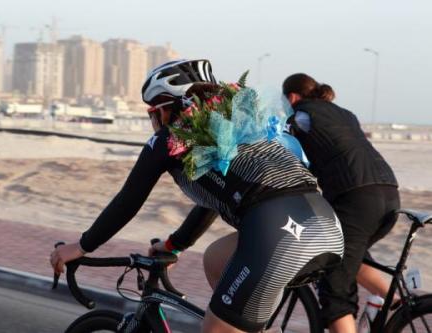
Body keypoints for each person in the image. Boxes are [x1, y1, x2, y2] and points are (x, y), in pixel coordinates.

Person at [50, 60, 344, 333]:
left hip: (279, 233)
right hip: (325, 226)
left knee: (216, 328)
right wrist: (173, 246)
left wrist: (82, 246)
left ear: (170, 107)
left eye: (155, 112)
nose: (155, 122)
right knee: (216, 260)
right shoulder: (237, 126)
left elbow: (128, 200)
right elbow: (214, 202)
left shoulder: (173, 137)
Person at [282, 73, 400, 333]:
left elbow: (286, 154)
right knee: (348, 252)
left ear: (291, 97)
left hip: (356, 197)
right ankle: (401, 306)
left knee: (335, 290)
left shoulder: (300, 115)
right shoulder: (344, 113)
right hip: (389, 192)